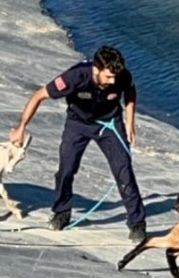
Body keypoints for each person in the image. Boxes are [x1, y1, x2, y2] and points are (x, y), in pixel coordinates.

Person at [9, 46, 147, 242]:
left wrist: (130, 122)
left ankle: (137, 223)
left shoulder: (121, 75)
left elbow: (130, 92)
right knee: (66, 169)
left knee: (124, 171)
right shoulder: (74, 76)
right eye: (108, 77)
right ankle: (61, 212)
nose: (113, 81)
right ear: (96, 69)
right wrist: (21, 127)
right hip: (78, 124)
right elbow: (39, 95)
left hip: (109, 125)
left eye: (115, 76)